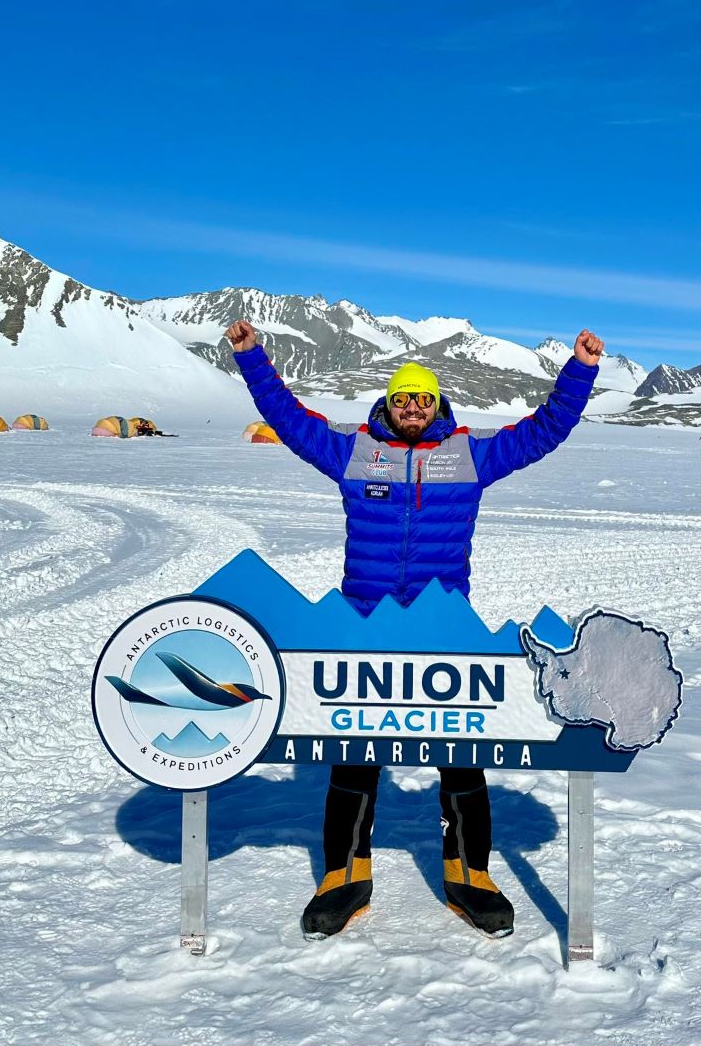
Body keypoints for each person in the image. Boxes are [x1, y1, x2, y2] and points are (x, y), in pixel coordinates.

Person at [226, 318, 604, 939]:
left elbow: (544, 430)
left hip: (443, 629)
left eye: (422, 399)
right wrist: (251, 356)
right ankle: (343, 877)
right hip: (365, 628)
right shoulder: (353, 452)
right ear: (388, 403)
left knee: (461, 755)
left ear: (437, 405)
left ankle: (470, 875)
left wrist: (580, 371)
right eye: (402, 399)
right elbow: (289, 420)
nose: (412, 409)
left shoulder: (469, 455)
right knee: (353, 754)